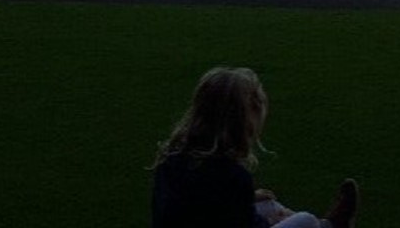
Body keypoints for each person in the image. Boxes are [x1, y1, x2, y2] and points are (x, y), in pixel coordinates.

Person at [152, 66, 358, 228]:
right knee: (306, 220)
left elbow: (192, 208)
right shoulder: (233, 176)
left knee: (268, 205)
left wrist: (250, 202)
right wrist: (272, 221)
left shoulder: (172, 158)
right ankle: (328, 226)